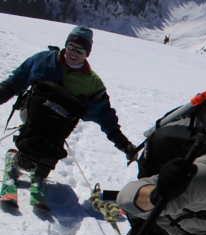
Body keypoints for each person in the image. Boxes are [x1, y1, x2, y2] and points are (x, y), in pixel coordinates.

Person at [0, 26, 137, 204]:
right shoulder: (43, 60)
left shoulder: (91, 83)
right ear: (66, 45)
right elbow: (15, 82)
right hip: (33, 113)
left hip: (60, 123)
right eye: (71, 46)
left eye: (80, 50)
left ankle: (40, 171)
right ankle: (17, 162)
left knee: (49, 150)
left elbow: (105, 116)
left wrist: (123, 144)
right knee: (34, 136)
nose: (74, 52)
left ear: (87, 53)